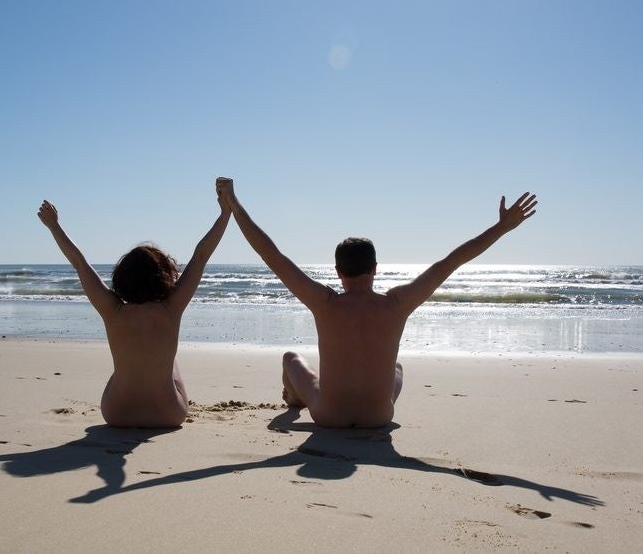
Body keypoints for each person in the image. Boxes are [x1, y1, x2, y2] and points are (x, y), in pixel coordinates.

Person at [217, 178, 537, 428]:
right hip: (379, 416)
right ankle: (313, 395)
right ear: (375, 269)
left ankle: (291, 397)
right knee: (396, 369)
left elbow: (270, 254)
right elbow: (452, 260)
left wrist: (234, 204)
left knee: (291, 358)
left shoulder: (324, 302)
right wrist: (501, 228)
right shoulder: (397, 304)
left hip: (329, 416)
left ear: (338, 271)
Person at [37, 181, 231, 428]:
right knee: (170, 362)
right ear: (164, 275)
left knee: (124, 367)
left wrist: (54, 226)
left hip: (117, 413)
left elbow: (78, 262)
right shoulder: (171, 308)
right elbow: (201, 255)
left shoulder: (112, 309)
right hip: (168, 415)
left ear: (121, 277)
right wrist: (225, 214)